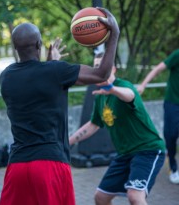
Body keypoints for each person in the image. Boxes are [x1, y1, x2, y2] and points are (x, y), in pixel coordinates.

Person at [0, 7, 119, 205]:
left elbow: (35, 82)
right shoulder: (56, 72)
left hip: (17, 166)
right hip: (50, 164)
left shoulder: (6, 77)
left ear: (15, 48)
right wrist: (114, 34)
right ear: (39, 44)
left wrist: (49, 64)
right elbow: (101, 74)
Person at [69, 54, 166, 205]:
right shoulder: (100, 97)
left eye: (103, 65)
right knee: (100, 198)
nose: (99, 69)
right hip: (124, 154)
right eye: (96, 67)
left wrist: (112, 89)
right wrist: (69, 141)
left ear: (113, 69)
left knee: (135, 196)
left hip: (148, 150)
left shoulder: (123, 86)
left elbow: (130, 95)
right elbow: (93, 124)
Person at [137, 49, 179, 184]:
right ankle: (173, 166)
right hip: (173, 103)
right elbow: (157, 70)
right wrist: (143, 85)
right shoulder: (177, 55)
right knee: (170, 135)